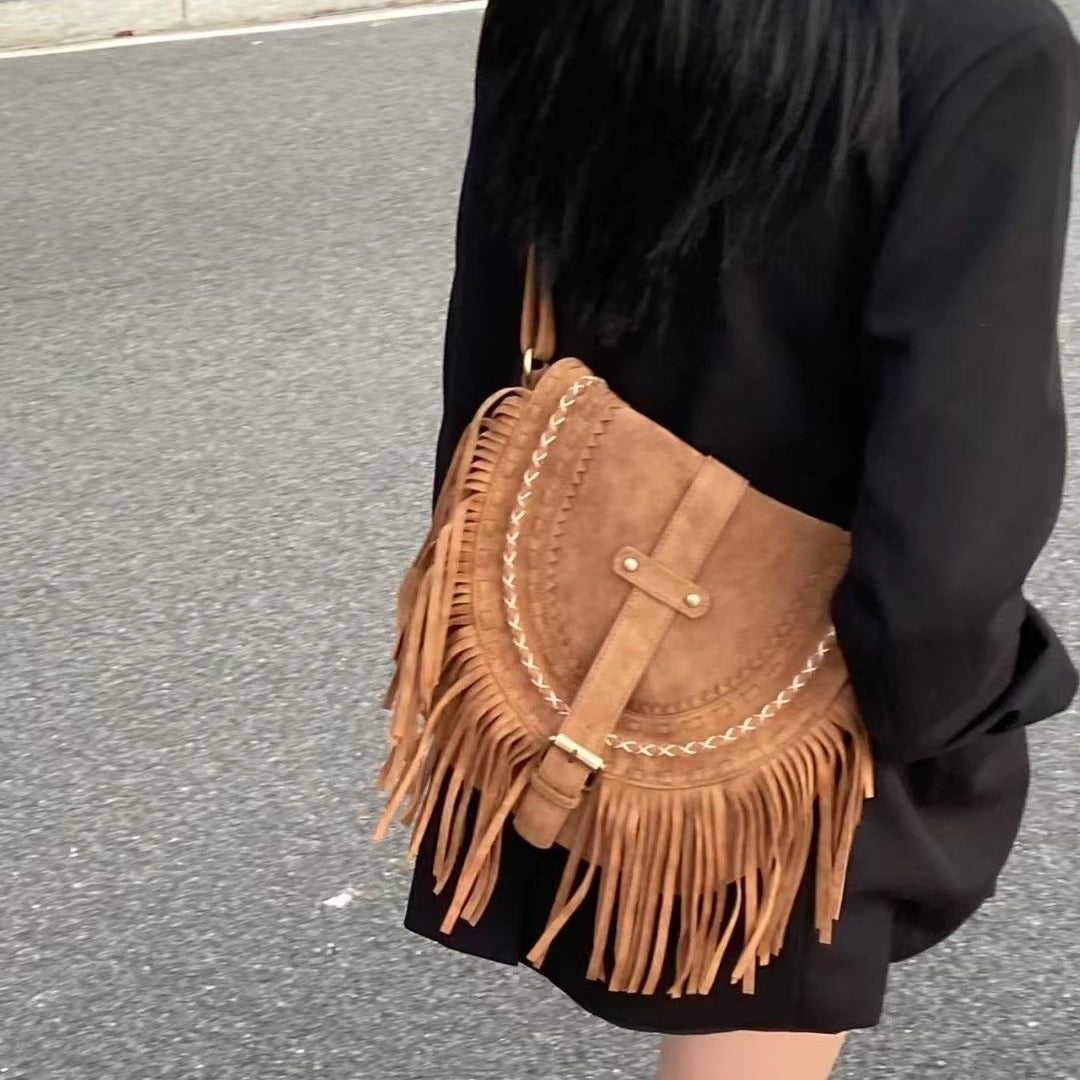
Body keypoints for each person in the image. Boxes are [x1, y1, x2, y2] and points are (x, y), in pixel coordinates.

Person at [400, 0, 1080, 1076]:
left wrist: (491, 617)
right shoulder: (980, 40)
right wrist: (939, 713)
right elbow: (961, 450)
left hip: (568, 609)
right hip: (806, 685)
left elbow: (493, 346)